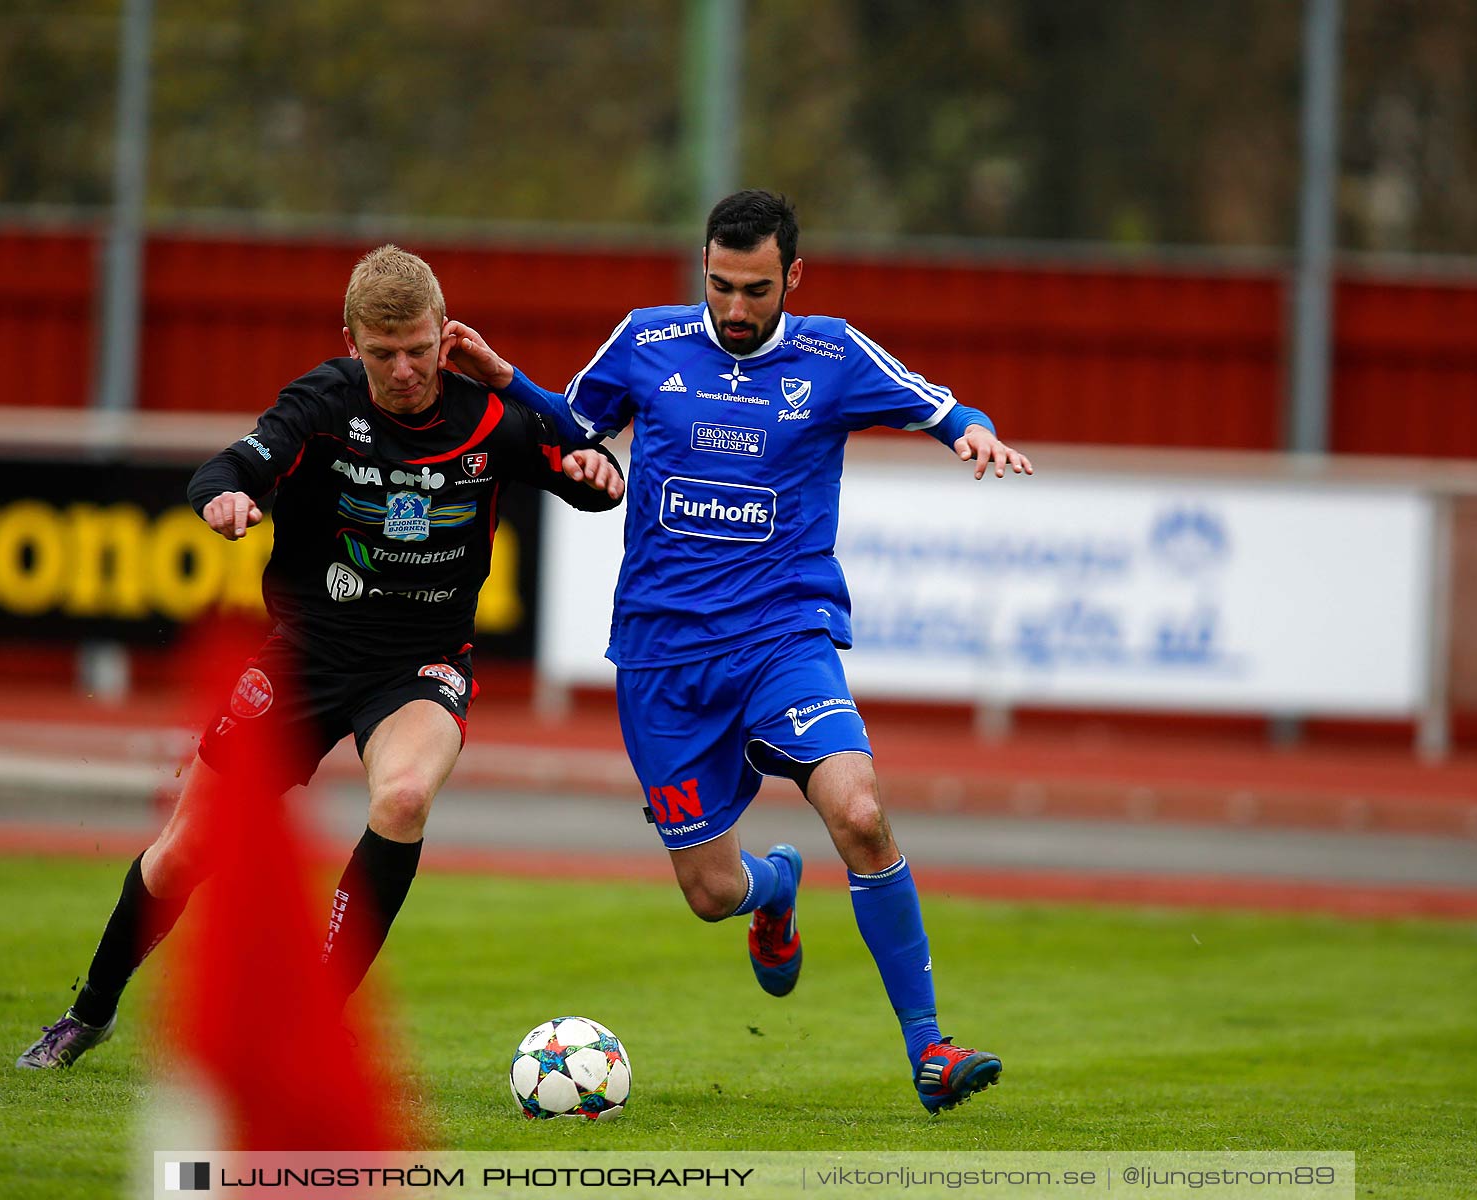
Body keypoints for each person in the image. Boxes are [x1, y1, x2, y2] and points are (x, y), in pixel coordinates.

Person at [440, 190, 1033, 1113]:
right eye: (720, 285)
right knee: (713, 893)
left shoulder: (831, 353)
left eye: (756, 289)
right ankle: (775, 887)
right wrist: (504, 376)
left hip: (782, 638)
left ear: (793, 276)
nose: (736, 308)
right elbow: (573, 425)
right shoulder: (646, 340)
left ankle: (930, 1049)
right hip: (663, 661)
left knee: (862, 811)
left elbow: (939, 407)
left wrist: (973, 432)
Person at [17, 245, 624, 1069]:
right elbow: (231, 465)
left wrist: (581, 457)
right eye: (382, 354)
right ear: (352, 342)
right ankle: (90, 1012)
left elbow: (594, 473)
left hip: (421, 664)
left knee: (403, 797)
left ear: (445, 334)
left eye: (418, 348)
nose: (404, 369)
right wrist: (226, 497)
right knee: (187, 853)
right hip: (303, 656)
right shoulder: (322, 405)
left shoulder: (489, 415)